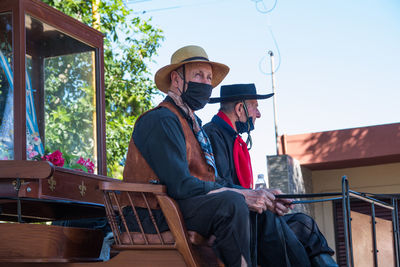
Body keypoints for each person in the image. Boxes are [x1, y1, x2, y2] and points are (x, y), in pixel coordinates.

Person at [123, 45, 315, 266]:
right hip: (149, 214)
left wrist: (259, 195)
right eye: (198, 75)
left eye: (209, 78)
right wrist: (242, 196)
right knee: (232, 203)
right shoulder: (161, 120)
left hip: (178, 208)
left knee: (261, 210)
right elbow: (180, 185)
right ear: (176, 79)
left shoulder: (192, 125)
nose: (206, 84)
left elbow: (211, 180)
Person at [203, 83, 338, 267]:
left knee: (304, 223)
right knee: (271, 219)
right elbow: (220, 184)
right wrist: (263, 199)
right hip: (232, 222)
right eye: (255, 107)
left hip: (248, 214)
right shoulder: (212, 134)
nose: (258, 114)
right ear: (240, 108)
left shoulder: (234, 138)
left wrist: (268, 196)